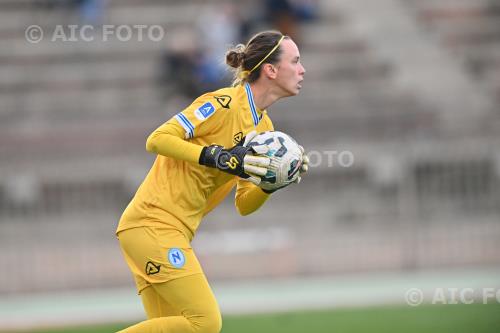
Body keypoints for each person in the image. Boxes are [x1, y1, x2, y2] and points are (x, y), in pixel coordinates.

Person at [116, 30, 308, 333]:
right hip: (152, 224)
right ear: (271, 70)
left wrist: (271, 184)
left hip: (169, 230)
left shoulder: (265, 130)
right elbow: (157, 139)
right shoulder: (223, 103)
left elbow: (244, 205)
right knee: (204, 324)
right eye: (295, 61)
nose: (302, 69)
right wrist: (214, 156)